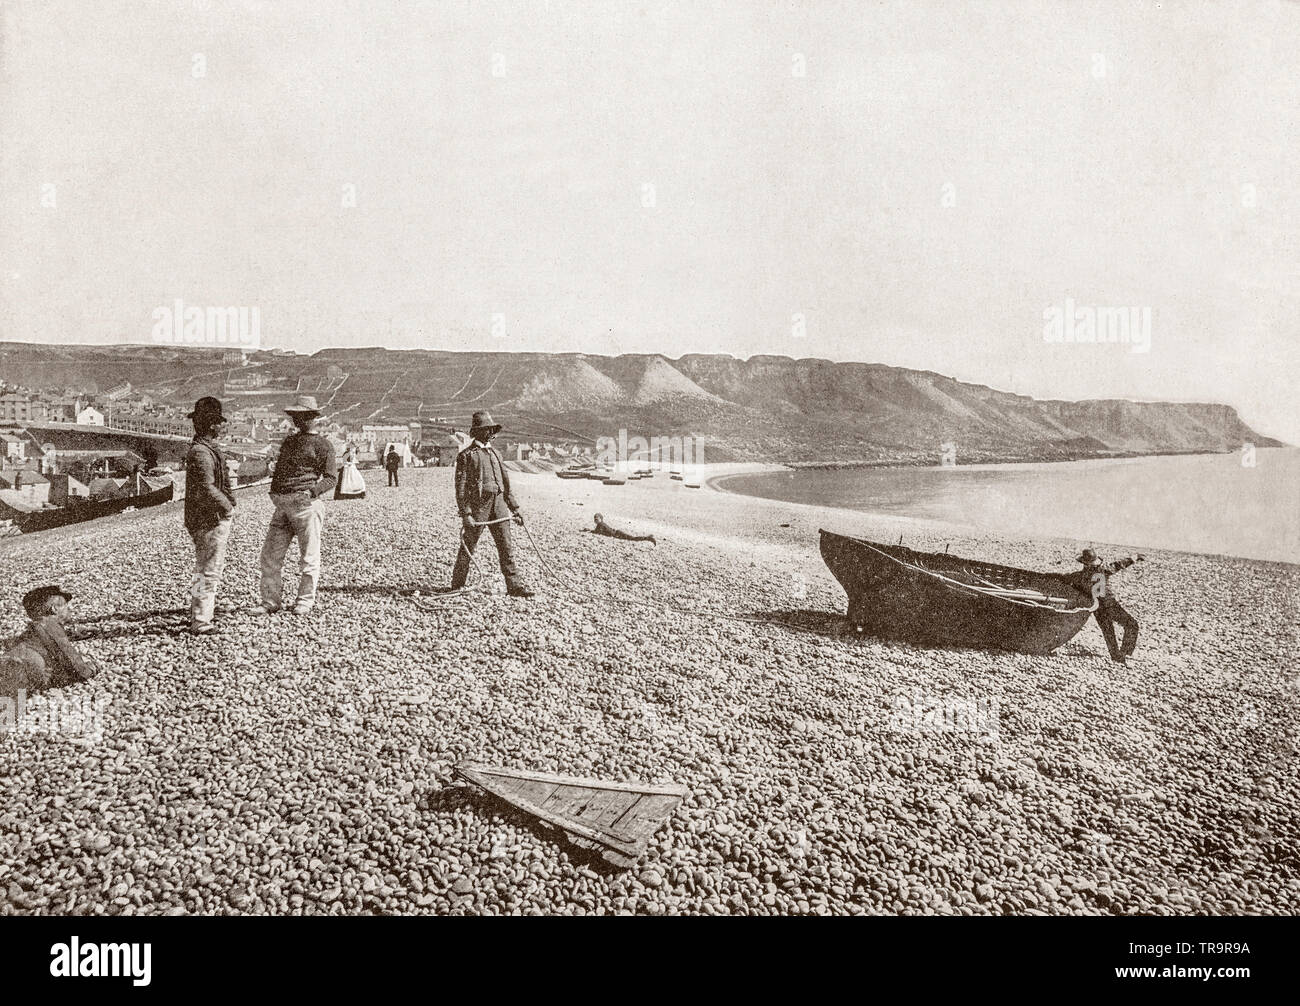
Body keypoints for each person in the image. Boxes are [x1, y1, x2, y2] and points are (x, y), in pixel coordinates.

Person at [254, 396, 337, 615]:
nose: (296, 420)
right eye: (294, 416)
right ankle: (270, 601)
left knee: (309, 557)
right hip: (282, 505)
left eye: (300, 416)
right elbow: (281, 471)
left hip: (306, 506)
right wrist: (275, 492)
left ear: (311, 417)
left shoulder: (324, 445)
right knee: (270, 556)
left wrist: (311, 492)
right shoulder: (289, 442)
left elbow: (331, 478)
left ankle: (305, 601)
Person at [451, 411, 534, 597]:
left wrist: (516, 508)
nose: (489, 433)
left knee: (506, 545)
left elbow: (506, 484)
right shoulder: (466, 456)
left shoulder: (496, 453)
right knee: (468, 545)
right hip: (478, 507)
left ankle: (514, 586)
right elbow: (461, 488)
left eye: (490, 429)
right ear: (477, 432)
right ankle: (457, 584)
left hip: (499, 505)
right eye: (485, 429)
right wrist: (466, 514)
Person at [183, 396, 236, 635]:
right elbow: (207, 487)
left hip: (205, 517)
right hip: (209, 518)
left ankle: (200, 613)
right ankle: (201, 621)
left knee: (204, 569)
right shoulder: (202, 452)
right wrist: (228, 507)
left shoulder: (201, 449)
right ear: (212, 424)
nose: (224, 426)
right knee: (207, 570)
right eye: (221, 422)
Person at [0, 586, 102, 697]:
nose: (70, 609)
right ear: (54, 609)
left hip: (11, 669)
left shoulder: (39, 627)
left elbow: (45, 639)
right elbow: (72, 662)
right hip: (15, 675)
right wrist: (91, 669)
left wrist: (72, 633)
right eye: (65, 605)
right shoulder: (49, 625)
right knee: (10, 710)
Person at [1067, 548, 1143, 663]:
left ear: (1084, 563)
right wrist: (1135, 557)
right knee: (1132, 625)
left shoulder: (1079, 576)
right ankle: (1126, 653)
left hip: (1096, 606)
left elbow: (1066, 579)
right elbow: (1120, 564)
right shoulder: (1104, 570)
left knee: (1108, 631)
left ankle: (1116, 656)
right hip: (1109, 603)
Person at [588, 512, 656, 545]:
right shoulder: (600, 524)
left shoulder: (601, 525)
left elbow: (597, 532)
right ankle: (647, 538)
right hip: (617, 533)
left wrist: (590, 531)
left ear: (601, 519)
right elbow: (597, 531)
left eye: (597, 519)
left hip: (617, 534)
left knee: (632, 538)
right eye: (595, 519)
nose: (595, 520)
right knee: (632, 538)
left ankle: (648, 538)